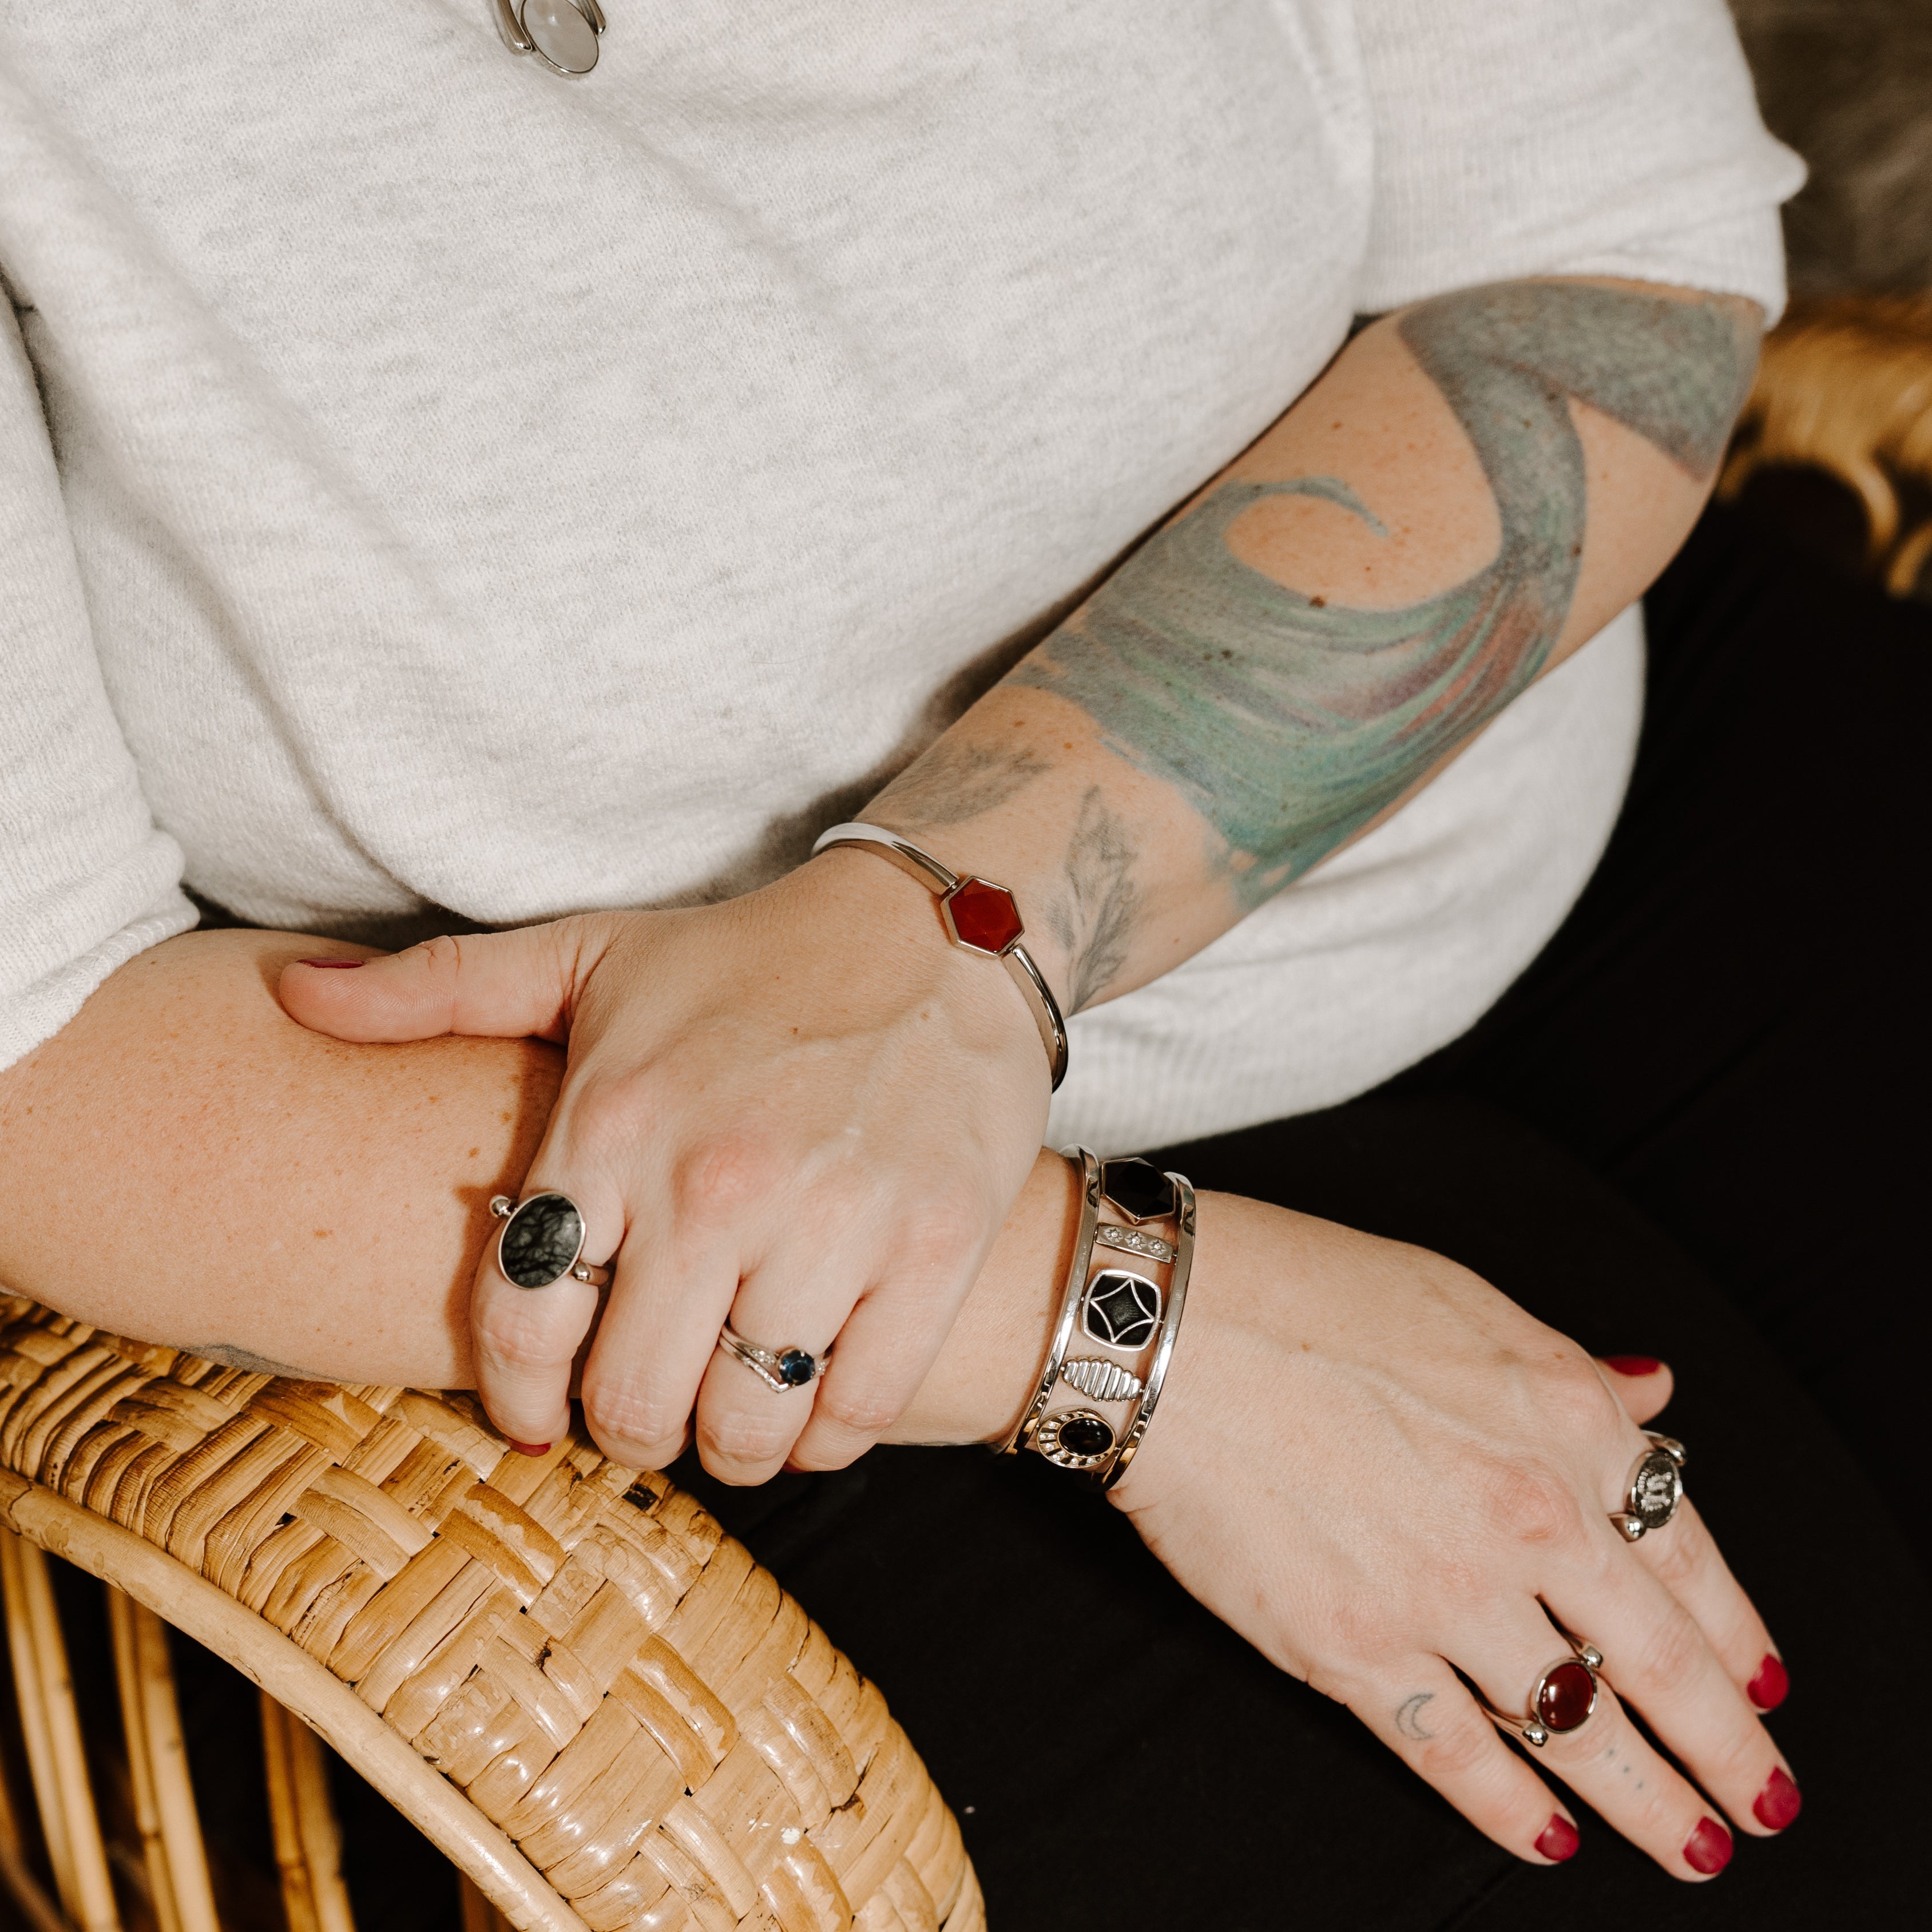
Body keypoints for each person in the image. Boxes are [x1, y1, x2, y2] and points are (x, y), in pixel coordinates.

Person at [1, 3, 1922, 1923]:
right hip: (731, 1230)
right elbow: (43, 1056)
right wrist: (1133, 1329)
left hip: (1536, 740)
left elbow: (1600, 247)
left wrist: (952, 925)